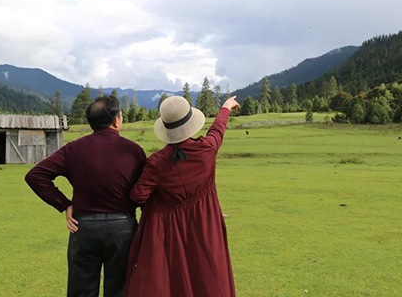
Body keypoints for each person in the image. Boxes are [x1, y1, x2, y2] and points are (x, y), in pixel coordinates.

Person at [25, 95, 146, 297]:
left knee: (80, 290)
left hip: (84, 228)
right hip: (122, 228)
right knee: (120, 290)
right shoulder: (134, 151)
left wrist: (64, 204)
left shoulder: (74, 148)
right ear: (116, 120)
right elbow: (144, 192)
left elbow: (35, 176)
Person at [124, 95, 241, 297]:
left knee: (175, 278)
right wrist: (226, 108)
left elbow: (137, 196)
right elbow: (217, 130)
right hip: (205, 224)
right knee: (206, 273)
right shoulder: (206, 149)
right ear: (190, 124)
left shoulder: (156, 163)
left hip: (171, 231)